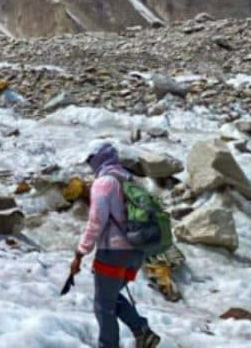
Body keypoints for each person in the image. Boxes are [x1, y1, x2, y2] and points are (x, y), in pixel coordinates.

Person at [69, 142, 162, 348]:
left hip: (113, 251)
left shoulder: (103, 183)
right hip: (136, 250)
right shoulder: (129, 179)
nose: (90, 165)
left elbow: (96, 222)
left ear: (98, 159)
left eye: (91, 160)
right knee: (109, 297)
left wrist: (80, 252)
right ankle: (142, 331)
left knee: (103, 305)